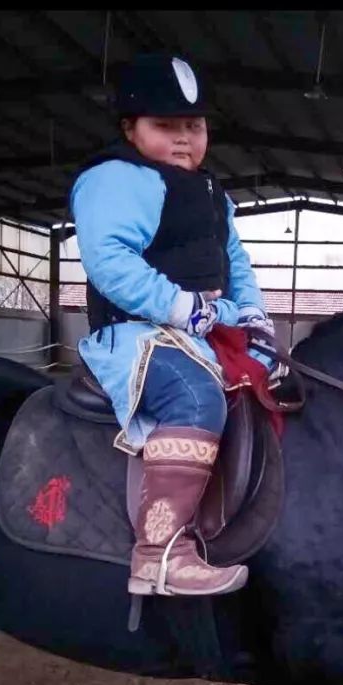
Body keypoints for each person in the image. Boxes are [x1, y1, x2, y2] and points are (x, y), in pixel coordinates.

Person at [70, 52, 276, 597]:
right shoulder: (114, 179)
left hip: (202, 333)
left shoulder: (212, 193)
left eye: (194, 126)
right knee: (194, 396)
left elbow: (236, 263)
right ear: (129, 129)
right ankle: (159, 554)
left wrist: (254, 317)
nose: (184, 138)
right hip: (136, 336)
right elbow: (110, 260)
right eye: (166, 126)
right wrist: (182, 307)